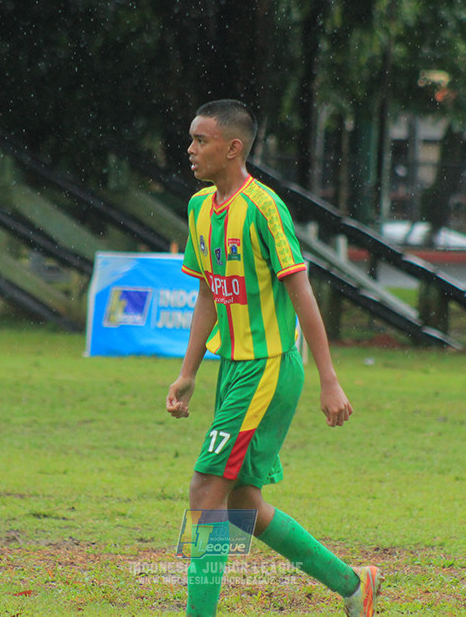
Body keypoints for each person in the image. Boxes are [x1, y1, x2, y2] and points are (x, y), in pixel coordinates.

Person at [165, 100, 383, 616]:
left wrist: (329, 380)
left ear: (233, 147)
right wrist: (188, 373)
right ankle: (355, 586)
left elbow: (303, 294)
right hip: (233, 370)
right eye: (192, 139)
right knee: (242, 503)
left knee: (205, 490)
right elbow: (208, 297)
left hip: (267, 368)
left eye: (202, 140)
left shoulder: (264, 209)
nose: (191, 149)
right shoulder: (200, 208)